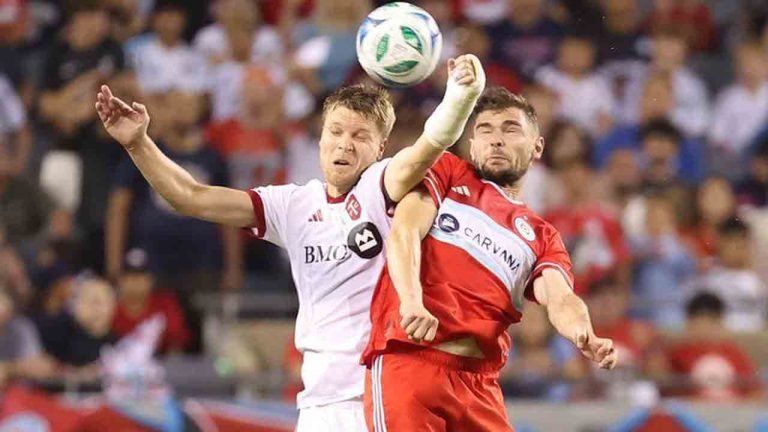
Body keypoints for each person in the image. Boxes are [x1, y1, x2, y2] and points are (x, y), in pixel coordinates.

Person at [95, 54, 486, 431]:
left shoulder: (382, 186)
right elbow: (191, 196)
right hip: (317, 402)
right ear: (319, 139)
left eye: (360, 136)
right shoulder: (292, 205)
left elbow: (429, 146)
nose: (344, 144)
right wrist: (138, 145)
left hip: (382, 395)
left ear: (380, 149)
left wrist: (460, 97)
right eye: (335, 132)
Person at [362, 87, 617, 431]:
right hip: (411, 363)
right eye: (485, 129)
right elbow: (405, 231)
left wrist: (583, 333)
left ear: (537, 146)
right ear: (472, 144)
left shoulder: (541, 236)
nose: (496, 139)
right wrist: (411, 301)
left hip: (480, 385)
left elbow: (560, 297)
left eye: (510, 129)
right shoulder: (447, 172)